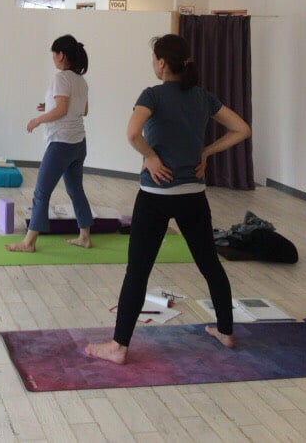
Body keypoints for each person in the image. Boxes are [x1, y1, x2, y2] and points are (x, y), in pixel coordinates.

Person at [86, 33, 251, 364]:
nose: (153, 64)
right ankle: (226, 331)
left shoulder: (153, 95)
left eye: (154, 59)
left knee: (138, 271)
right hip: (193, 196)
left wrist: (150, 156)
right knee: (210, 265)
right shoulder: (203, 97)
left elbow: (132, 133)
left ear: (162, 63)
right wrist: (206, 152)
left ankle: (119, 347)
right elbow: (242, 129)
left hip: (155, 196)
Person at [6, 34, 93, 253]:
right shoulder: (80, 80)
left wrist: (38, 119)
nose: (53, 58)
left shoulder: (61, 78)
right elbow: (82, 110)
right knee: (76, 190)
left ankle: (29, 243)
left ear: (61, 55)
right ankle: (85, 237)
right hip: (79, 143)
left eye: (54, 54)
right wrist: (48, 107)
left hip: (62, 143)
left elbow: (62, 110)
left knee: (41, 192)